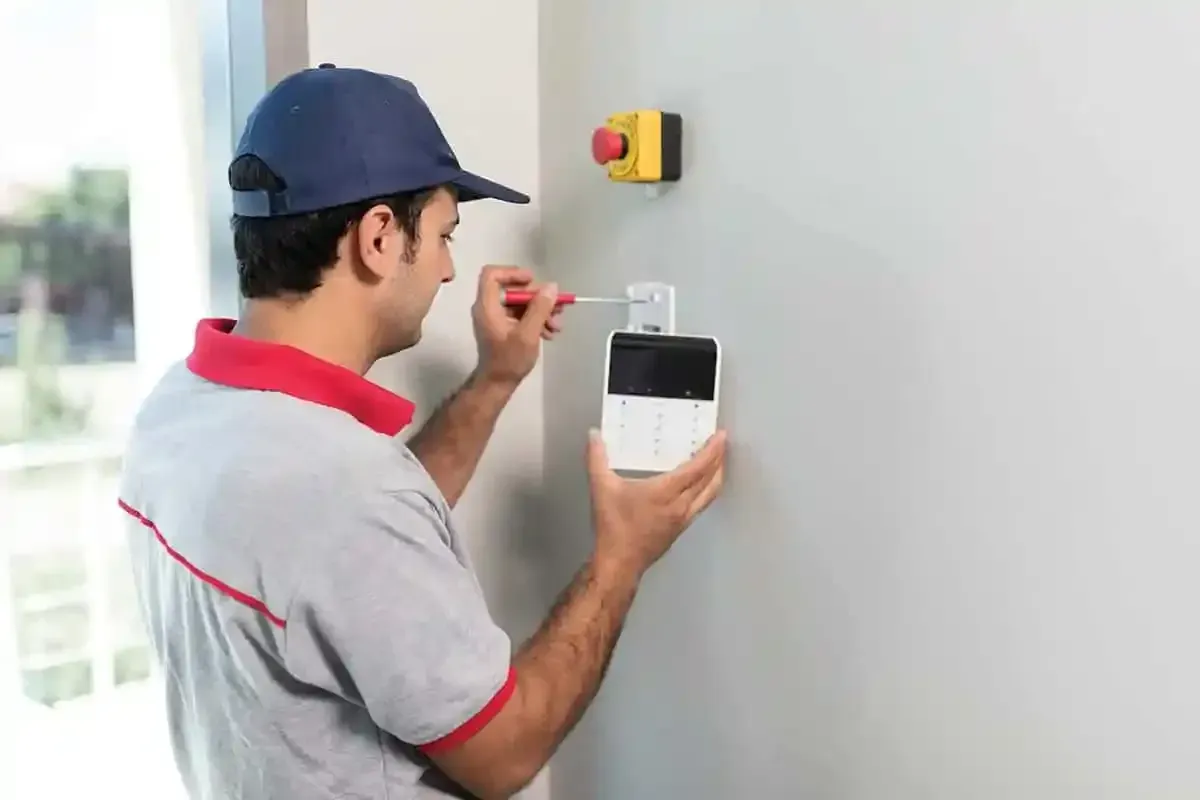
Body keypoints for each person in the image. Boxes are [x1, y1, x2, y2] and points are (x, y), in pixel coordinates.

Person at [118, 64, 726, 800]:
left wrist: (495, 379)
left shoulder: (181, 407)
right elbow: (504, 753)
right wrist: (622, 556)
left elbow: (336, 563)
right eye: (443, 235)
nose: (446, 269)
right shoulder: (346, 490)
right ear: (379, 236)